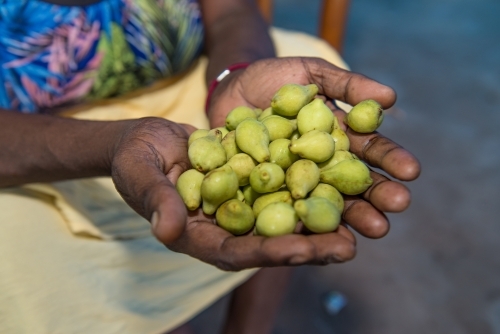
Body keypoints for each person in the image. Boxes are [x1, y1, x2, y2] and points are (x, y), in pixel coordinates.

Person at [0, 0, 420, 333]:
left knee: (307, 58)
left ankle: (248, 327)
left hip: (189, 98)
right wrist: (112, 146)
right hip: (36, 141)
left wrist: (230, 77)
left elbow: (234, 10)